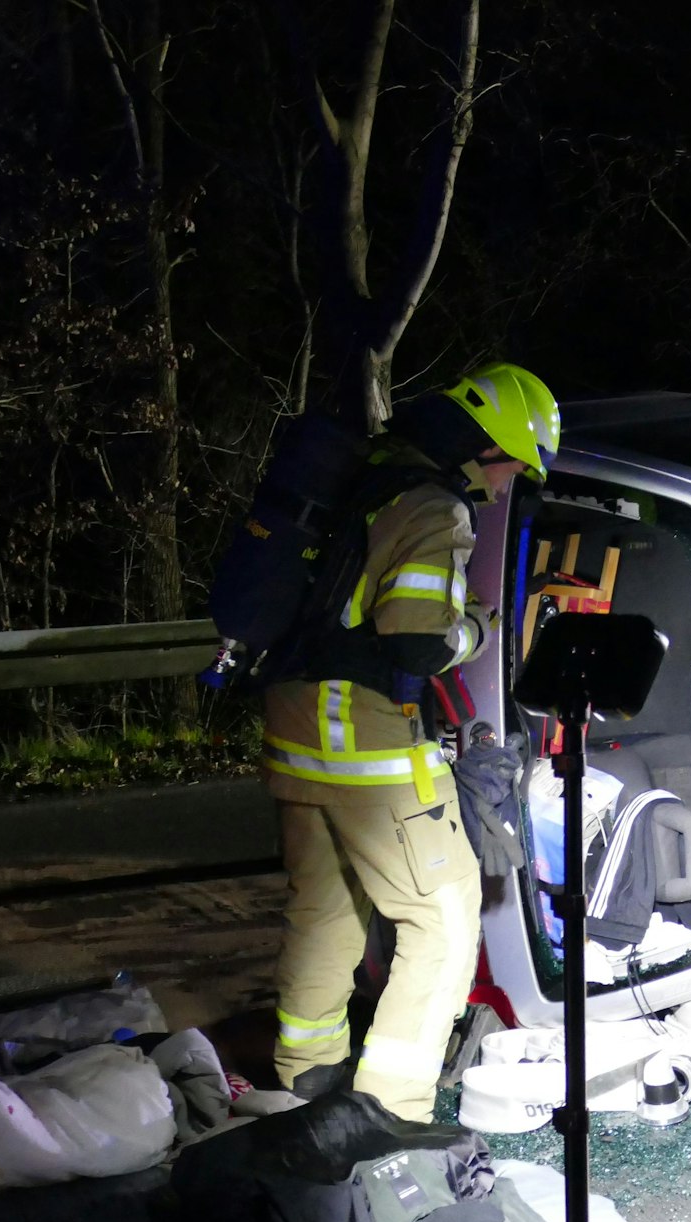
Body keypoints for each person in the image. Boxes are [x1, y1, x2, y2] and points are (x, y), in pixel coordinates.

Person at [261, 363, 559, 1120]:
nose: (503, 487)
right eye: (509, 466)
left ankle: (306, 1075)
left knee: (326, 908)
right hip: (367, 748)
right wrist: (482, 627)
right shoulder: (436, 509)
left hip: (295, 728)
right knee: (443, 917)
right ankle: (393, 1108)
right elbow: (419, 641)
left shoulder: (369, 481)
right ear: (481, 448)